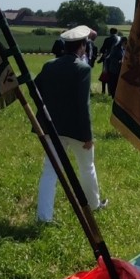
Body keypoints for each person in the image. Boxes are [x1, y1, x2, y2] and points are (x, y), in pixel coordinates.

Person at [34, 25, 106, 222]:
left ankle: (43, 217)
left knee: (50, 171)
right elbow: (83, 105)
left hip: (51, 126)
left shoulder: (49, 65)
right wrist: (88, 136)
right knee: (87, 168)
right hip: (76, 130)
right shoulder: (82, 68)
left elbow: (36, 88)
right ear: (82, 46)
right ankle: (93, 204)